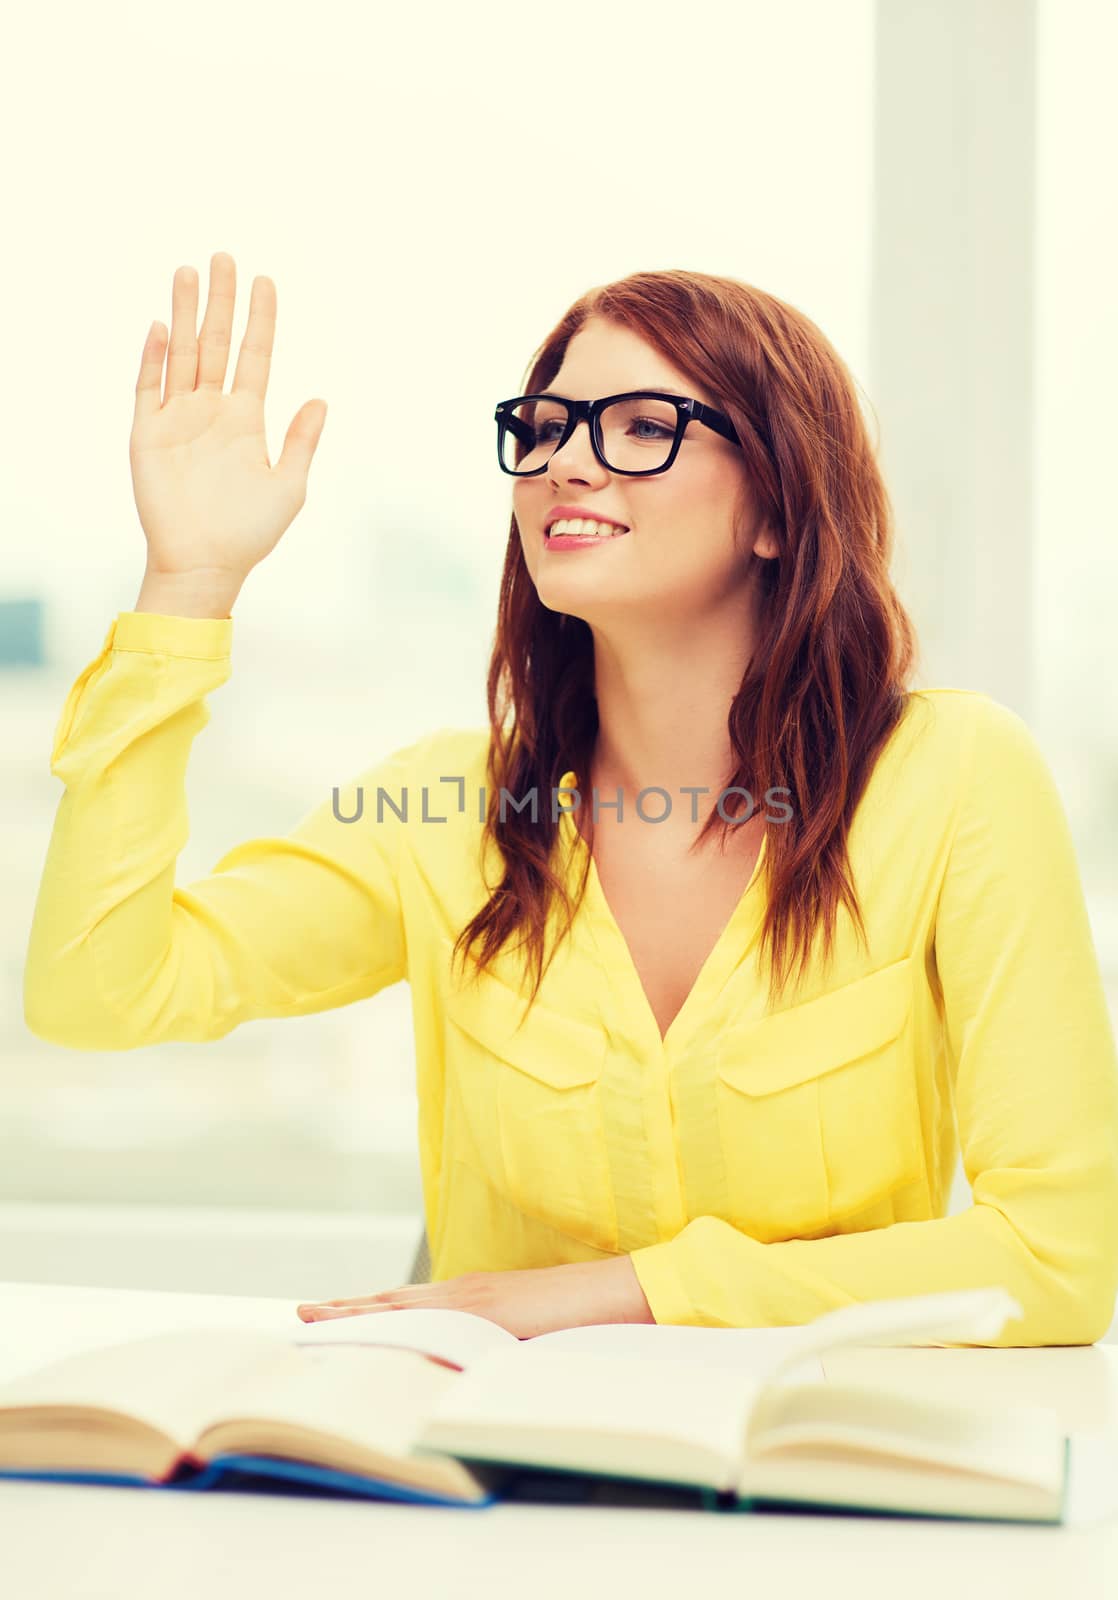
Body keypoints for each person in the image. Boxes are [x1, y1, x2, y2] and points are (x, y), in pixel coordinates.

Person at [24, 252, 1118, 1346]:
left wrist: (616, 1292)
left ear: (776, 509)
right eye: (544, 427)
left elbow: (1053, 1261)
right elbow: (97, 991)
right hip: (508, 1487)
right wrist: (187, 588)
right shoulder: (442, 810)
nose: (564, 464)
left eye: (642, 426)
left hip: (817, 1484)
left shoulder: (956, 777)